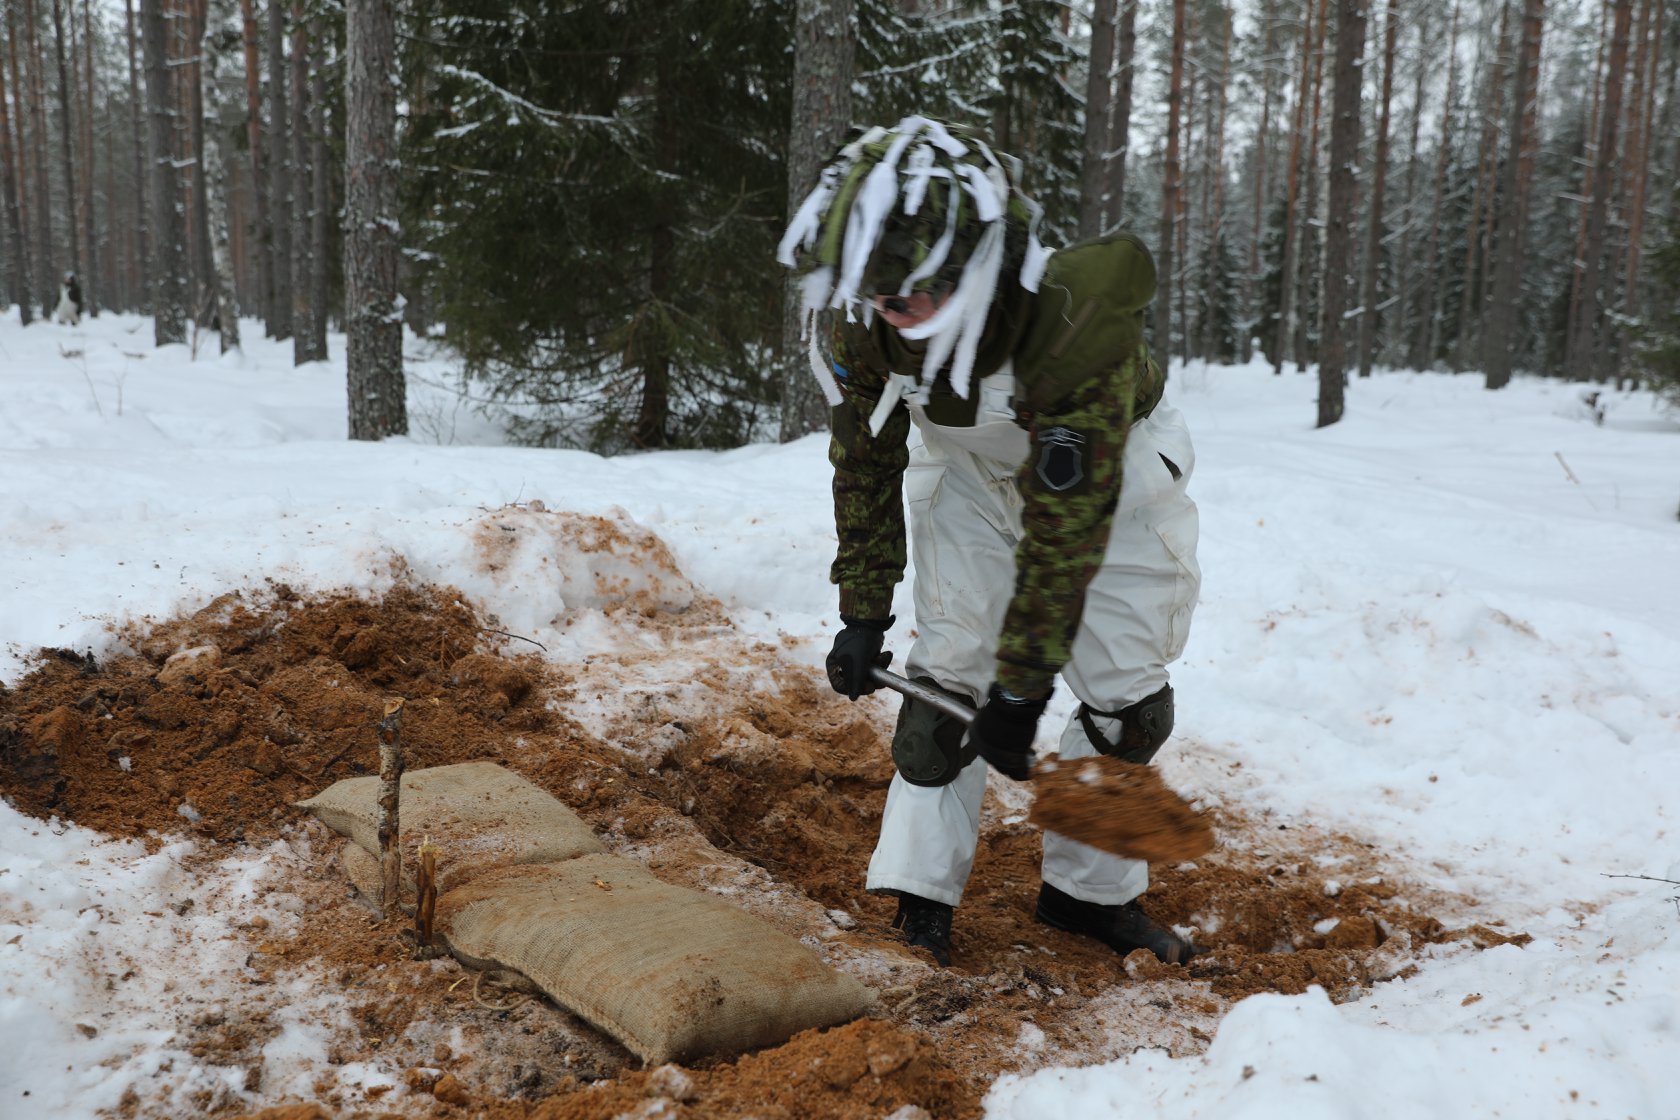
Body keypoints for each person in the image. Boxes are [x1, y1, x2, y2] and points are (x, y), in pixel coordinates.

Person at [778, 116, 1202, 968]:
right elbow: (864, 462)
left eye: (904, 293)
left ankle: (1088, 897)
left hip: (1112, 487)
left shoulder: (1074, 332)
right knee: (944, 684)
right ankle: (920, 899)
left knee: (1130, 705)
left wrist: (1026, 683)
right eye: (872, 292)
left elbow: (1066, 524)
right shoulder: (871, 323)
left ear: (971, 266)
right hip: (971, 475)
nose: (885, 312)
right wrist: (863, 613)